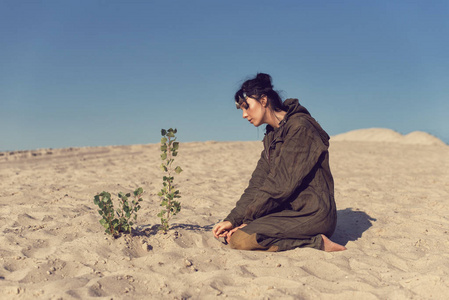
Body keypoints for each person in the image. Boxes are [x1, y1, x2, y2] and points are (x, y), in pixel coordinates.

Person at [212, 73, 346, 252]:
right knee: (235, 235)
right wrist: (233, 219)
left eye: (247, 107)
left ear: (264, 100)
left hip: (313, 214)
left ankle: (315, 242)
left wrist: (247, 221)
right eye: (241, 110)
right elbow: (257, 184)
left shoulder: (300, 128)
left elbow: (281, 185)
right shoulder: (272, 136)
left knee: (240, 240)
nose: (244, 115)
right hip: (287, 211)